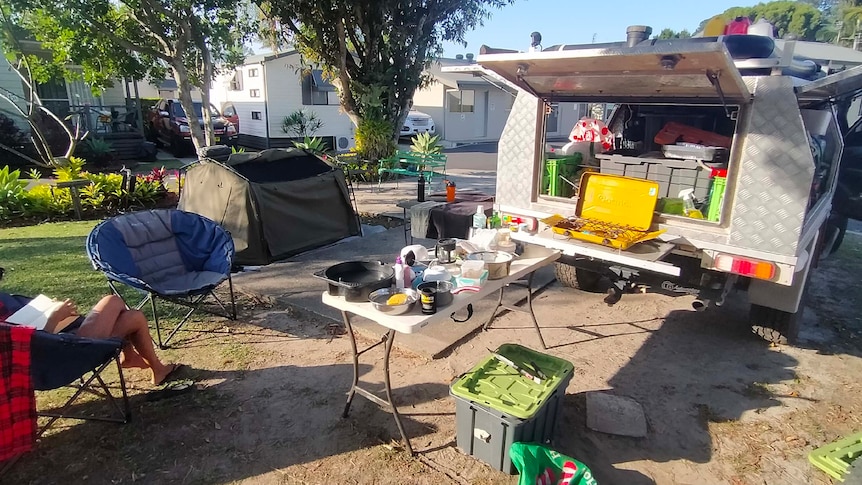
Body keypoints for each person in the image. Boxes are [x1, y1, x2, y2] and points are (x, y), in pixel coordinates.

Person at [0, 283, 181, 386]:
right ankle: (142, 362)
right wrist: (54, 318)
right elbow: (31, 346)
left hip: (58, 345)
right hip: (61, 357)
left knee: (134, 317)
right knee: (112, 300)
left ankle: (149, 366)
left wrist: (52, 313)